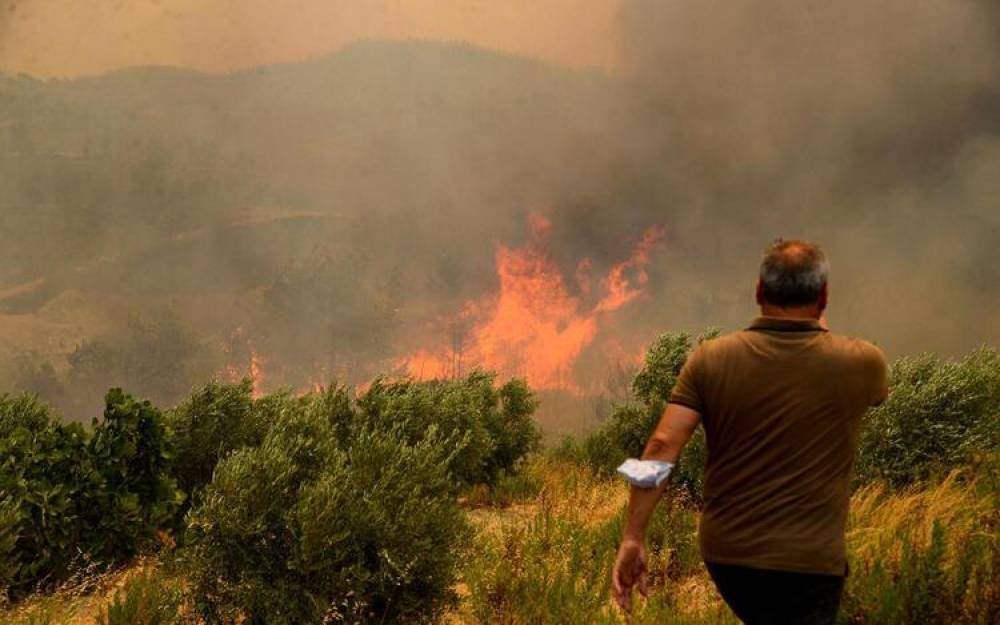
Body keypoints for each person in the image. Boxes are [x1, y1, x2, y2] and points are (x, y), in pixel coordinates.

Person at [612, 239, 889, 625]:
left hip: (728, 555)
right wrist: (816, 320)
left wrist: (632, 537)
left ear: (759, 291)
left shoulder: (710, 358)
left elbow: (661, 445)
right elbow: (857, 382)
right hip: (809, 560)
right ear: (824, 296)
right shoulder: (863, 362)